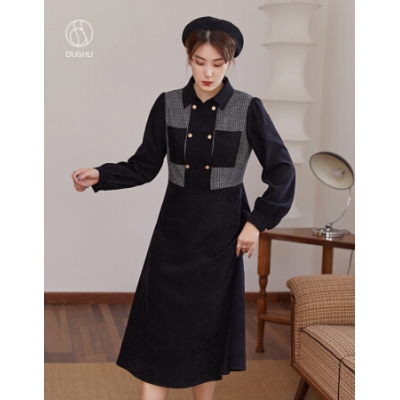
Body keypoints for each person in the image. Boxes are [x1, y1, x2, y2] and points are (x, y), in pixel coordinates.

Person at [71, 16, 295, 400]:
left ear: (230, 62)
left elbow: (283, 171)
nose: (208, 72)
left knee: (205, 329)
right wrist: (100, 175)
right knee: (159, 325)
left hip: (222, 235)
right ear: (188, 58)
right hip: (172, 233)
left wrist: (256, 223)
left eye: (218, 64)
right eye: (199, 61)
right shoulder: (168, 104)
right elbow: (144, 165)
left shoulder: (248, 108)